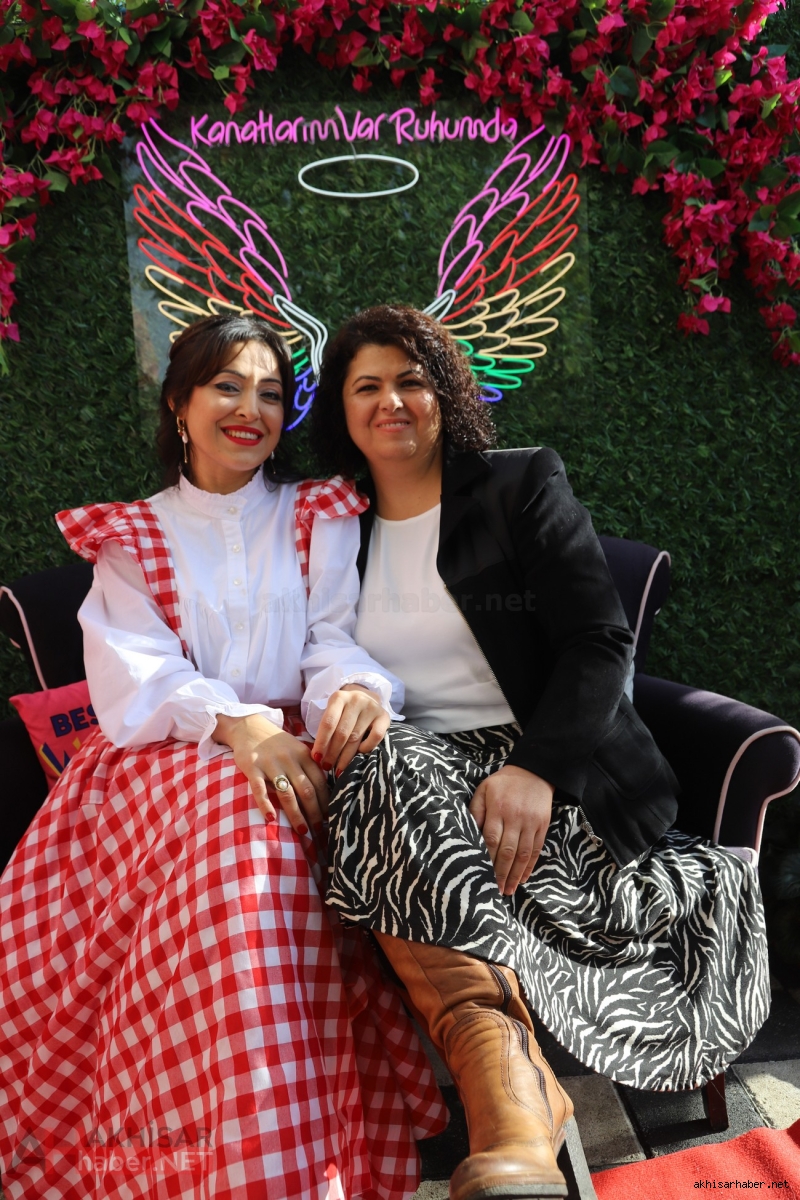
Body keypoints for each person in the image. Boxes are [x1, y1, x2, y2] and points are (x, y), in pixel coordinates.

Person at [311, 304, 769, 1200]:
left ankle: (517, 1118)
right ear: (341, 408)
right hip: (415, 777)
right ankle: (518, 1103)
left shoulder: (516, 485)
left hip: (548, 774)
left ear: (446, 393)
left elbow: (600, 640)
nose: (390, 401)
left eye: (411, 380)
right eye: (367, 385)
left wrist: (537, 769)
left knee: (389, 777)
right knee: (386, 763)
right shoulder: (334, 522)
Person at [0, 314, 446, 1200]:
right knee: (248, 819)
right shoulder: (133, 537)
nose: (251, 410)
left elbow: (332, 639)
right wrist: (238, 727)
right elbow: (138, 676)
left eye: (271, 394)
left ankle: (261, 1150)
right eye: (227, 387)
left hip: (297, 747)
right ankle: (241, 1152)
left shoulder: (316, 515)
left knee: (265, 815)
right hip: (162, 759)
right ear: (180, 404)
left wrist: (356, 691)